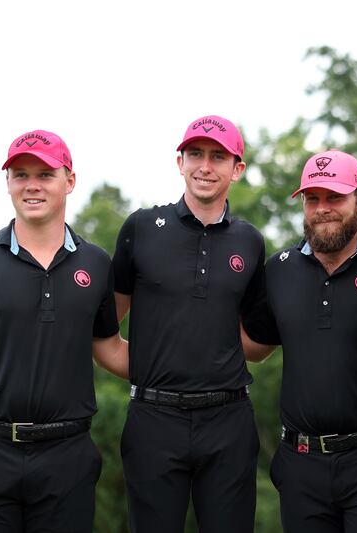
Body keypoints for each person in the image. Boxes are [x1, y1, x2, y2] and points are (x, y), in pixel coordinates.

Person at [0, 129, 128, 532]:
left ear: (69, 181)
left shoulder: (97, 263)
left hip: (68, 455)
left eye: (45, 174)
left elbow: (109, 348)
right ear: (8, 183)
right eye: (20, 174)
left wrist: (187, 369)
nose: (31, 185)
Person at [242, 149, 357, 532]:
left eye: (334, 197)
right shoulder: (279, 270)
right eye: (312, 198)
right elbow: (254, 347)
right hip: (301, 462)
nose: (323, 208)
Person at [112, 115, 265, 533]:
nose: (205, 166)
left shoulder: (250, 241)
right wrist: (149, 368)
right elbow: (106, 325)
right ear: (179, 161)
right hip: (154, 419)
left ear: (237, 169)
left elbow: (255, 340)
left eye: (219, 157)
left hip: (229, 419)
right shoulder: (141, 228)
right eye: (195, 154)